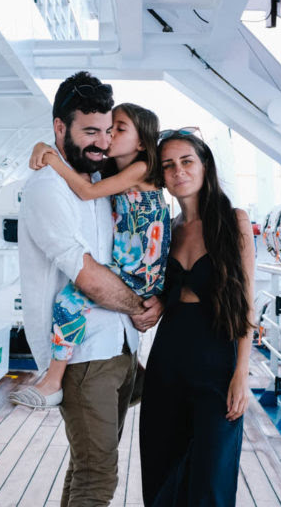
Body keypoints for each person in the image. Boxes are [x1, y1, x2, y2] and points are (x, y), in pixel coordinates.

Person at [16, 72, 162, 507]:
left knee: (85, 471)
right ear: (60, 129)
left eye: (108, 130)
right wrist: (140, 307)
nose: (100, 141)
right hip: (84, 355)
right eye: (89, 131)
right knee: (98, 478)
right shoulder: (47, 189)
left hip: (117, 348)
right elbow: (86, 276)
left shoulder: (93, 182)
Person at [140, 130, 255, 507]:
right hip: (169, 357)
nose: (178, 170)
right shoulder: (165, 228)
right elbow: (163, 290)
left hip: (217, 356)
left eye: (187, 160)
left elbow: (247, 302)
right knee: (164, 468)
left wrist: (241, 373)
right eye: (168, 164)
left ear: (204, 165)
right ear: (161, 176)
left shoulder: (234, 223)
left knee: (211, 475)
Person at [15, 103, 170, 407]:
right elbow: (84, 182)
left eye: (119, 129)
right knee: (78, 302)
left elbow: (85, 192)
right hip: (130, 265)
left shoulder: (141, 168)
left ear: (141, 143)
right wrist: (44, 147)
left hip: (141, 270)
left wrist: (52, 161)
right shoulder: (114, 173)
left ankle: (53, 381)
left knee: (68, 302)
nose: (109, 136)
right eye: (108, 129)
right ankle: (130, 377)